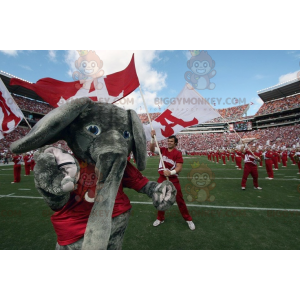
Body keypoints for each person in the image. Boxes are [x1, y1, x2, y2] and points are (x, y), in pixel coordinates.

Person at [150, 130, 195, 230]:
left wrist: (171, 173)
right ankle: (160, 218)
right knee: (161, 199)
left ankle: (188, 219)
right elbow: (152, 149)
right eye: (168, 141)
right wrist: (153, 138)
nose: (169, 142)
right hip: (162, 178)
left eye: (171, 141)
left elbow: (179, 167)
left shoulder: (177, 153)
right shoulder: (163, 150)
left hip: (173, 180)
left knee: (180, 200)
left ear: (175, 143)